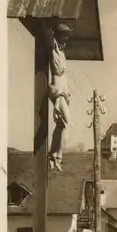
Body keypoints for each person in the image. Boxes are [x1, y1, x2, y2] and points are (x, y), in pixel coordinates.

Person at [42, 21, 72, 172]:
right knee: (67, 122)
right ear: (58, 35)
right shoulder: (54, 48)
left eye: (67, 35)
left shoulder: (61, 52)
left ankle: (53, 155)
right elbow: (46, 32)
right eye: (64, 35)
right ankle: (57, 155)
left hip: (63, 92)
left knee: (61, 124)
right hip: (57, 91)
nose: (66, 38)